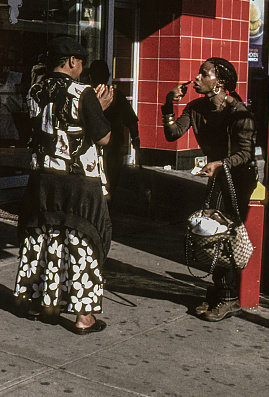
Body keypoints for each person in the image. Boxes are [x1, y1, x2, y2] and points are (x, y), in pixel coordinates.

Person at [14, 36, 113, 334]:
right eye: (80, 62)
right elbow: (104, 137)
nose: (81, 68)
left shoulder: (34, 90)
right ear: (71, 61)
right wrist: (102, 108)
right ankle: (84, 316)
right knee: (83, 242)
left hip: (42, 178)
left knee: (44, 238)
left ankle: (39, 301)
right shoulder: (82, 92)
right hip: (78, 180)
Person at [163, 57, 257, 323]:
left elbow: (245, 154)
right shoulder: (195, 108)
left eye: (204, 74)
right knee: (209, 233)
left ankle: (228, 298)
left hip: (238, 177)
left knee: (223, 235)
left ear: (221, 82)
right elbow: (172, 134)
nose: (197, 78)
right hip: (218, 174)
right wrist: (169, 103)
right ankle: (219, 292)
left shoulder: (238, 112)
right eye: (199, 74)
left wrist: (221, 164)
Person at [87, 60, 140, 198]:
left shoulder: (85, 95)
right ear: (108, 76)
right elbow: (132, 121)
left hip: (92, 147)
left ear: (90, 76)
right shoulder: (116, 95)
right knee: (110, 183)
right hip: (114, 146)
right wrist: (136, 140)